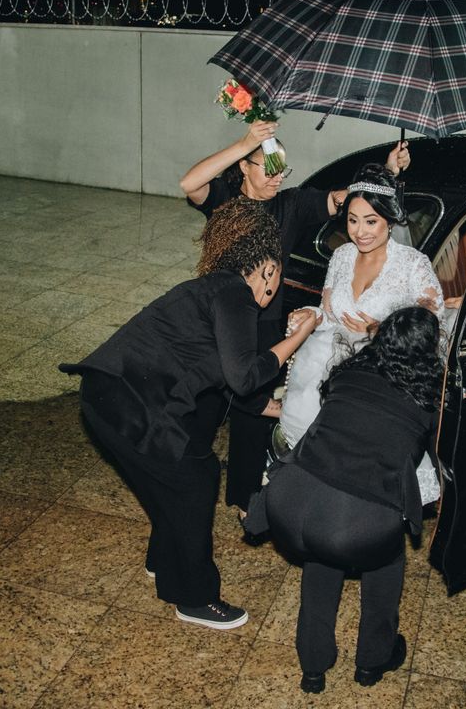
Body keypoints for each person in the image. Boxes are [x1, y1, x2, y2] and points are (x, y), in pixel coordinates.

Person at [59, 199, 319, 631]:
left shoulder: (213, 288)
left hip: (105, 394)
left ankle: (164, 565)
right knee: (194, 480)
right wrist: (300, 336)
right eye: (279, 273)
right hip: (133, 406)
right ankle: (195, 598)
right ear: (268, 268)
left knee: (171, 480)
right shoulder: (236, 295)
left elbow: (221, 370)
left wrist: (270, 407)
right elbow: (243, 374)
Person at [180, 122, 410, 521]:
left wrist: (387, 172)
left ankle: (244, 500)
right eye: (266, 168)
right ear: (245, 167)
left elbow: (350, 200)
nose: (275, 178)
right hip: (213, 320)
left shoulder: (292, 204)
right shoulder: (223, 199)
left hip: (264, 323)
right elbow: (190, 182)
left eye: (281, 170)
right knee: (203, 410)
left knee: (250, 421)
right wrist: (243, 143)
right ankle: (186, 500)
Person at [261, 306, 443, 693]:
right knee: (385, 555)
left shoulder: (345, 375)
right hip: (348, 523)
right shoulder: (425, 401)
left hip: (288, 501)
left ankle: (313, 666)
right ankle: (373, 661)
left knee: (323, 553)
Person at [278, 163, 444, 503]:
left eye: (371, 221)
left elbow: (429, 327)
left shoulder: (413, 264)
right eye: (352, 221)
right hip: (327, 370)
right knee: (317, 461)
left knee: (359, 474)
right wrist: (310, 314)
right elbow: (328, 313)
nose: (360, 232)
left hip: (379, 380)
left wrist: (378, 330)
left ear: (391, 220)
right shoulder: (340, 256)